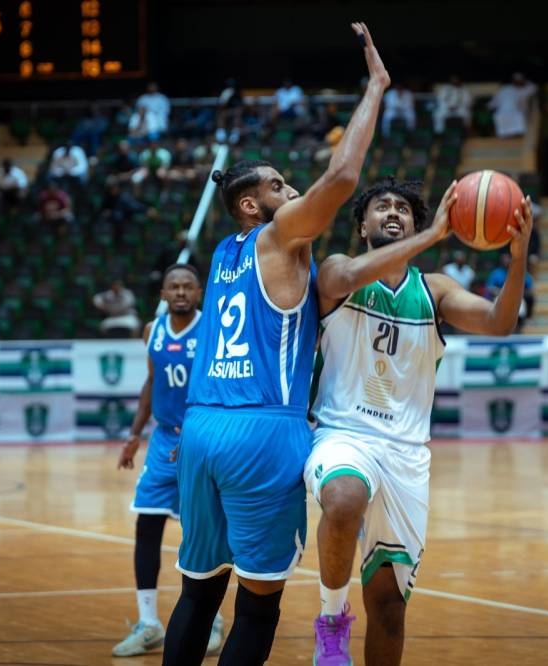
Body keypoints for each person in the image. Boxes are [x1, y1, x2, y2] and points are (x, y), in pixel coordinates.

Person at [159, 23, 390, 666]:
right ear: (253, 207)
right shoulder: (279, 236)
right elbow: (342, 178)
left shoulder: (225, 254)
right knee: (258, 604)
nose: (294, 193)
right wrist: (375, 88)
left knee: (198, 594)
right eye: (281, 187)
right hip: (263, 431)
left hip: (202, 429)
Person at [306, 176, 532, 665]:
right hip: (342, 435)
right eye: (382, 207)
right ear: (362, 225)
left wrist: (517, 258)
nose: (393, 213)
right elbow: (337, 282)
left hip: (407, 455)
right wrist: (431, 236)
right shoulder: (339, 269)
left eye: (404, 209)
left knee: (388, 607)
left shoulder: (435, 290)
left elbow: (499, 322)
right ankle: (330, 620)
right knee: (344, 500)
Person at [112, 264, 226, 658]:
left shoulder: (211, 328)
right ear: (163, 293)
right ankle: (148, 623)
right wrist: (133, 435)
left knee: (201, 531)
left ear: (199, 293)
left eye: (187, 287)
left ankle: (210, 618)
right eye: (173, 286)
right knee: (147, 524)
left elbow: (218, 384)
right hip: (163, 443)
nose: (180, 292)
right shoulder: (152, 331)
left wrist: (199, 434)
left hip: (198, 439)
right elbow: (151, 382)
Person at [488, 72, 538, 138]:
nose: (518, 83)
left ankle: (519, 135)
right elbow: (494, 102)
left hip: (522, 111)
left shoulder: (531, 87)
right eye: (516, 81)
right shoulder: (506, 89)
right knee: (499, 116)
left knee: (519, 116)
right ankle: (506, 136)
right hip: (504, 112)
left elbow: (528, 100)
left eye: (520, 81)